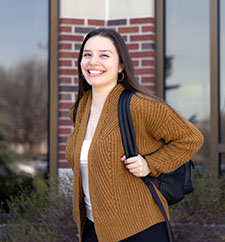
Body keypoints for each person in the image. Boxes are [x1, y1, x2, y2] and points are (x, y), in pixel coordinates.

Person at [65, 28, 204, 242]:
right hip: (94, 228)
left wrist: (150, 163)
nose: (93, 61)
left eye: (104, 55)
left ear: (121, 65)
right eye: (87, 54)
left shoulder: (138, 105)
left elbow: (190, 138)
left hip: (139, 229)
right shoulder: (80, 110)